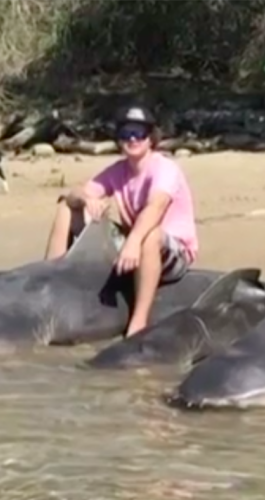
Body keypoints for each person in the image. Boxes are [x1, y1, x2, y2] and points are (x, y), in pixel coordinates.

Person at [43, 105, 198, 337]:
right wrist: (86, 199)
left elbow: (155, 207)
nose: (133, 138)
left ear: (151, 138)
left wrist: (133, 241)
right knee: (67, 207)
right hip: (133, 244)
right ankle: (47, 279)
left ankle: (139, 322)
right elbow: (72, 193)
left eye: (139, 133)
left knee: (150, 235)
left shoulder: (165, 169)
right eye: (126, 133)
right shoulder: (118, 171)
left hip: (171, 250)